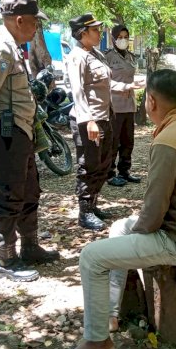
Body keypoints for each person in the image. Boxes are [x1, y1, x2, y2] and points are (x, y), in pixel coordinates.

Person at [51, 69, 176, 349]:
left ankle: (97, 342)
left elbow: (153, 214)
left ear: (151, 101)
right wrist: (135, 233)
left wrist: (138, 238)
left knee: (91, 257)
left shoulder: (169, 140)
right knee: (119, 228)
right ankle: (110, 314)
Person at [0, 0, 59, 283]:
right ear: (19, 20)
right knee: (8, 194)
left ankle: (30, 247)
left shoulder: (14, 48)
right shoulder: (1, 50)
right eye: (34, 22)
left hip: (20, 130)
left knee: (29, 190)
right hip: (6, 133)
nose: (36, 28)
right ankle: (6, 259)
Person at [67, 13, 115, 231]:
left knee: (104, 164)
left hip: (104, 117)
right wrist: (88, 121)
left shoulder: (95, 53)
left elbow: (104, 86)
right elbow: (78, 92)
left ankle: (93, 204)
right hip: (89, 120)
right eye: (95, 30)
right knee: (89, 165)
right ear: (82, 33)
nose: (99, 33)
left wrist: (128, 87)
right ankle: (84, 212)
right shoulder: (77, 56)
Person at [105, 24, 144, 187]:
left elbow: (128, 77)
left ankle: (124, 171)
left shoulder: (130, 56)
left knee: (128, 141)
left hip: (129, 104)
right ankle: (109, 173)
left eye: (125, 37)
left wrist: (134, 83)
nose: (123, 40)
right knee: (114, 141)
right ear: (113, 39)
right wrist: (125, 86)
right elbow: (105, 81)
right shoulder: (107, 57)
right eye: (119, 37)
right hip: (114, 105)